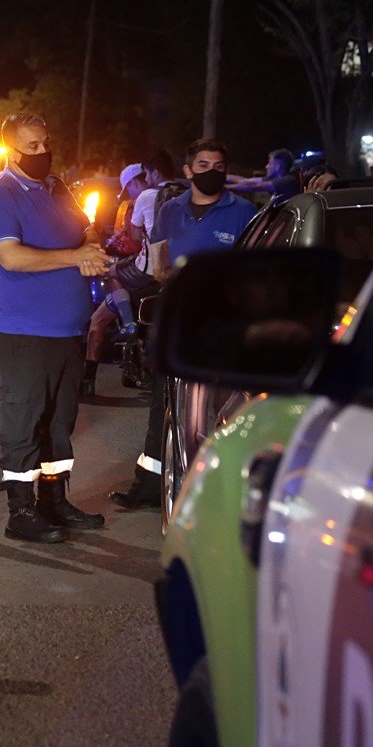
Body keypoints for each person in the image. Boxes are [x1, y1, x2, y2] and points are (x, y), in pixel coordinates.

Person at [0, 111, 111, 543]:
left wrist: (91, 244)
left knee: (60, 421)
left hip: (69, 330)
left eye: (45, 143)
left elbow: (86, 228)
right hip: (27, 331)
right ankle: (22, 511)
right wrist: (76, 257)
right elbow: (11, 257)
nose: (43, 152)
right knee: (24, 420)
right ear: (11, 150)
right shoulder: (1, 195)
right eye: (32, 146)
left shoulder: (56, 189)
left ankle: (54, 501)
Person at [110, 137, 258, 509]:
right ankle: (151, 485)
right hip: (177, 323)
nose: (212, 172)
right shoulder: (170, 210)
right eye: (203, 166)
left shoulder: (243, 211)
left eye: (219, 166)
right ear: (189, 170)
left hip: (222, 327)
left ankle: (221, 494)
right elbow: (158, 262)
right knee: (166, 405)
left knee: (226, 408)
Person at [81, 150, 174, 397]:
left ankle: (89, 379)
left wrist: (117, 240)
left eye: (127, 189)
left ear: (136, 182)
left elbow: (134, 240)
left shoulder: (145, 197)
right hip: (172, 271)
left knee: (99, 315)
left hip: (146, 272)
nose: (128, 195)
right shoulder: (182, 193)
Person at [234, 148, 299, 202]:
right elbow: (245, 181)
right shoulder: (273, 178)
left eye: (270, 163)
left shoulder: (288, 181)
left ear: (277, 166)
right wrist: (225, 178)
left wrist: (227, 187)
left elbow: (254, 186)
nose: (266, 166)